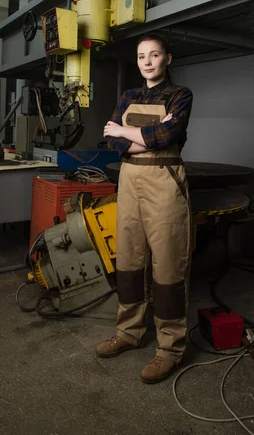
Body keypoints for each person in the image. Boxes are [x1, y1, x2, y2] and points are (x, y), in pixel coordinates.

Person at [96, 33, 193, 384]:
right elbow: (111, 138)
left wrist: (127, 132)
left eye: (154, 55)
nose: (147, 61)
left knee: (167, 265)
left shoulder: (180, 95)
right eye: (141, 56)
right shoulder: (129, 96)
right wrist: (139, 134)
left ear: (167, 58)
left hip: (165, 179)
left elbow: (167, 138)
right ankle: (129, 332)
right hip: (130, 181)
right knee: (129, 261)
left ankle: (170, 349)